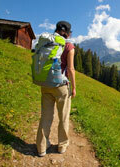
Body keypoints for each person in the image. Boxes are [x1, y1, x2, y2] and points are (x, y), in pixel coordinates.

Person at [36, 21, 76, 157]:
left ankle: (41, 147)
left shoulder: (48, 42)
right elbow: (70, 69)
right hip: (61, 86)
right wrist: (74, 87)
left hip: (45, 84)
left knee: (46, 116)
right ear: (66, 32)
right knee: (63, 116)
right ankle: (62, 145)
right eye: (70, 32)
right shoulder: (69, 46)